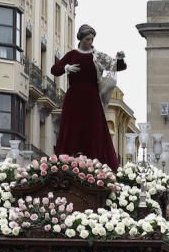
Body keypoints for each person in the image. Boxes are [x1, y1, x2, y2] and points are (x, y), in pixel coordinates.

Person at [50, 24, 126, 169]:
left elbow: (116, 66)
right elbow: (54, 70)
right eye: (87, 39)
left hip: (91, 99)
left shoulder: (97, 56)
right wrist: (65, 68)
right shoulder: (72, 55)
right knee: (72, 129)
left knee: (93, 130)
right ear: (80, 38)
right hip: (74, 99)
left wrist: (120, 58)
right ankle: (67, 162)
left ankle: (96, 163)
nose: (90, 42)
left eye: (91, 39)